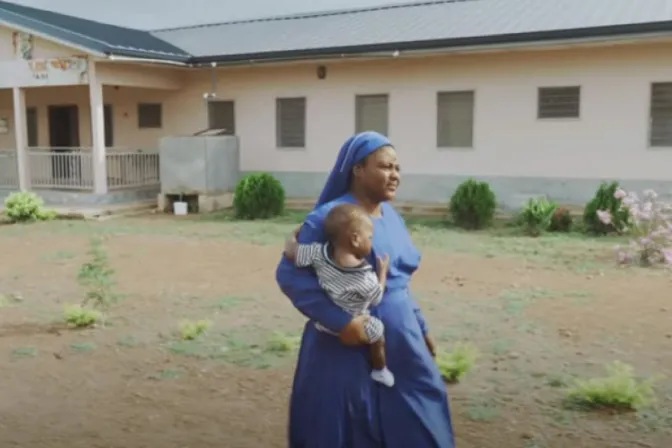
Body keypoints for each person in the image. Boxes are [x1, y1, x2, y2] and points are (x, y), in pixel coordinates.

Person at [276, 131, 455, 447]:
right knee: (348, 427)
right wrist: (341, 322)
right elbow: (291, 275)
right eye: (386, 167)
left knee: (422, 417)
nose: (395, 175)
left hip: (402, 342)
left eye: (397, 168)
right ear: (357, 170)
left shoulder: (393, 218)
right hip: (343, 347)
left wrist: (420, 326)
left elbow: (400, 281)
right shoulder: (331, 218)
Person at [283, 203, 395, 387]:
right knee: (379, 334)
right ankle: (380, 370)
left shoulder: (318, 253)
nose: (371, 241)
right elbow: (377, 298)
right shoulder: (365, 277)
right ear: (355, 240)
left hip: (325, 324)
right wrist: (382, 273)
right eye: (370, 237)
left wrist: (295, 234)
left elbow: (292, 253)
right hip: (355, 322)